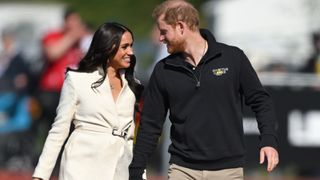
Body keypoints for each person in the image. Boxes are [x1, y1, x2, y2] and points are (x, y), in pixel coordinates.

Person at [129, 1, 279, 180]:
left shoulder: (232, 58)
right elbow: (150, 125)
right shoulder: (163, 70)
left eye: (164, 31)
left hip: (228, 170)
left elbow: (261, 101)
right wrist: (136, 170)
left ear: (181, 27)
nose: (160, 38)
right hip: (181, 169)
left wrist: (269, 141)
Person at [32, 22, 143, 180]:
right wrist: (40, 175)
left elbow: (131, 138)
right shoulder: (77, 80)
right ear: (109, 47)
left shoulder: (133, 86)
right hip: (80, 167)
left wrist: (140, 173)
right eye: (125, 46)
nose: (131, 52)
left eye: (131, 46)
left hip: (120, 169)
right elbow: (59, 130)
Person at [34, 8, 88, 144]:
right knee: (55, 129)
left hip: (75, 91)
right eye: (73, 21)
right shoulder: (53, 35)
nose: (76, 24)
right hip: (53, 92)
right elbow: (53, 53)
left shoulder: (83, 40)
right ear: (65, 22)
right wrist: (72, 36)